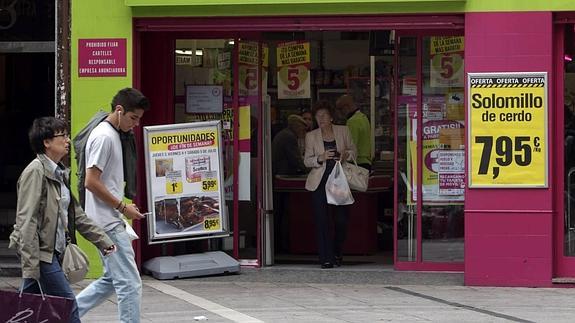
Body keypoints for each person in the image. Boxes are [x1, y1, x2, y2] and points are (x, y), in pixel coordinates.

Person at [9, 117, 116, 323]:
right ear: (46, 142)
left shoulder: (59, 173)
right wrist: (31, 265)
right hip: (42, 255)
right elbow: (26, 219)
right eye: (62, 136)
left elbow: (77, 215)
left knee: (26, 310)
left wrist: (102, 240)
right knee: (67, 305)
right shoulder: (35, 171)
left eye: (66, 135)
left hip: (55, 252)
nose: (67, 140)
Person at [75, 88, 150, 323]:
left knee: (111, 280)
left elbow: (104, 182)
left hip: (108, 220)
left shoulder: (114, 134)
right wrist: (122, 207)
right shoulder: (104, 137)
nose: (135, 124)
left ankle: (65, 313)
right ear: (119, 111)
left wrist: (123, 205)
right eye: (133, 118)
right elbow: (91, 181)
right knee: (130, 282)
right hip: (108, 224)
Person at [304, 101, 356, 269]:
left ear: (331, 117)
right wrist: (320, 157)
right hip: (319, 183)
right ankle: (326, 258)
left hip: (339, 181)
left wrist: (344, 155)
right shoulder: (311, 136)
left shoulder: (343, 131)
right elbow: (306, 161)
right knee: (322, 220)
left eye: (324, 115)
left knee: (341, 220)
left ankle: (337, 252)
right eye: (318, 116)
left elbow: (354, 151)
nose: (320, 118)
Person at [336, 94, 373, 170]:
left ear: (346, 107)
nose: (340, 113)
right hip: (366, 161)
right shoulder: (364, 117)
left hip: (357, 163)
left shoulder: (352, 122)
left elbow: (351, 146)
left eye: (340, 109)